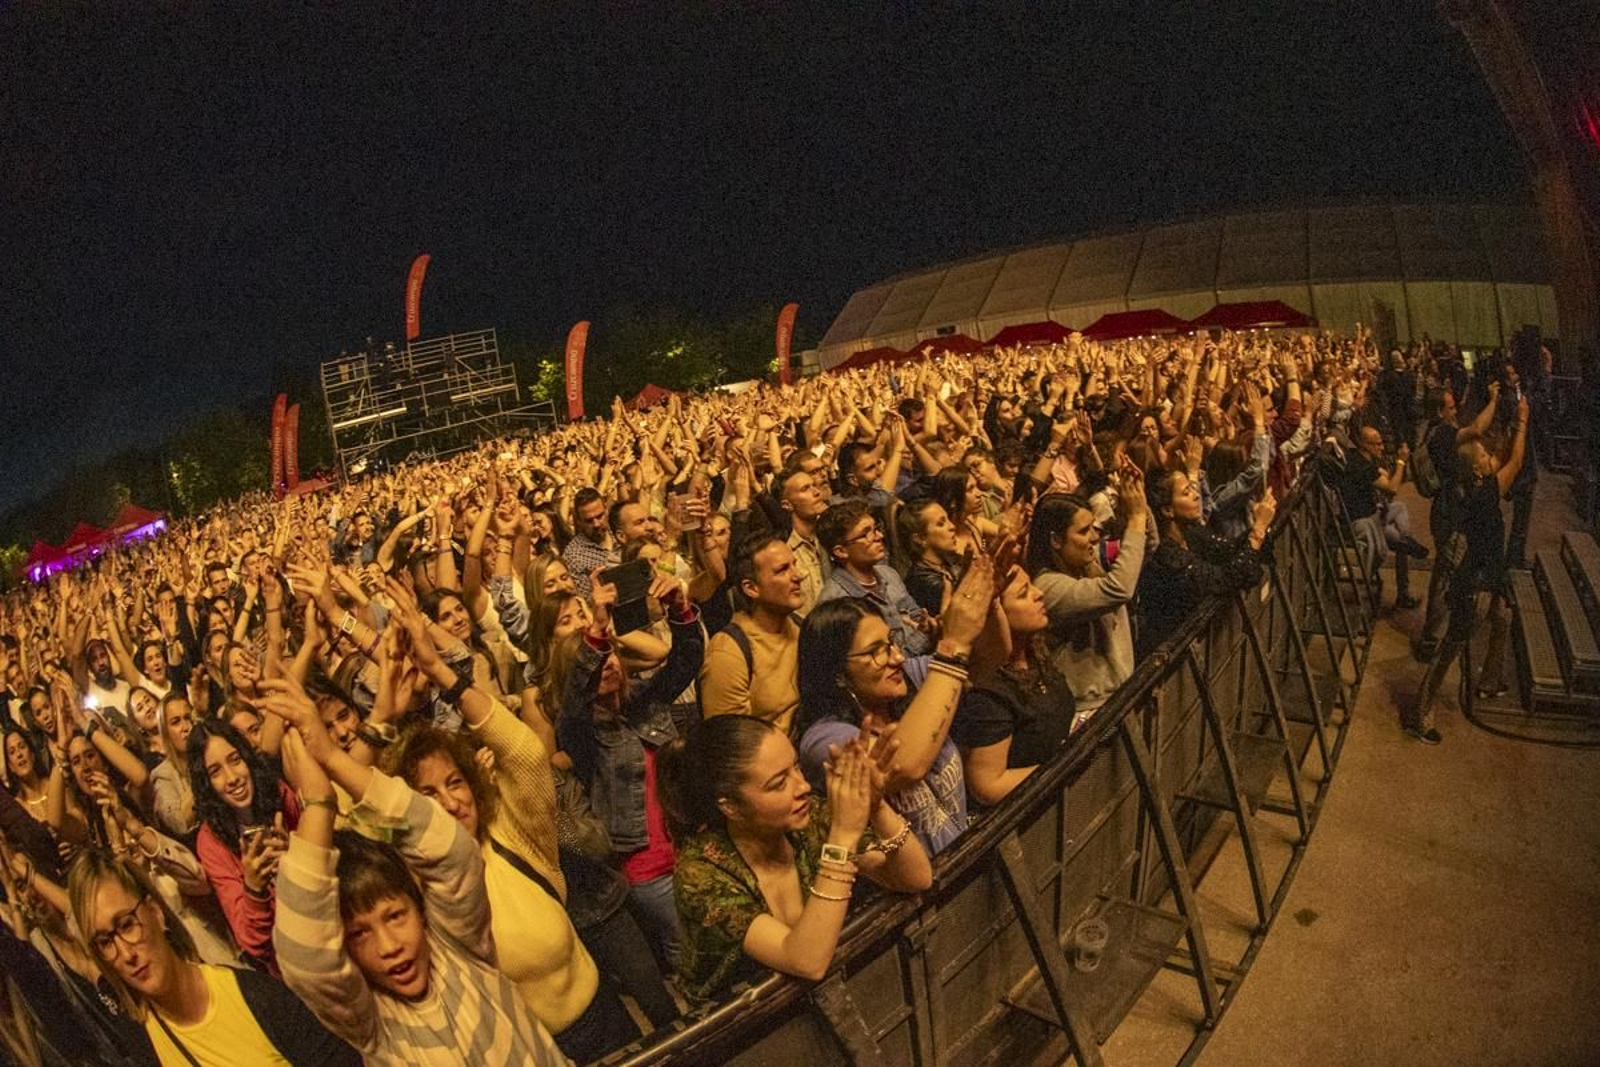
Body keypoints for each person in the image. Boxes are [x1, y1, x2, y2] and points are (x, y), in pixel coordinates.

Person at [384, 585, 638, 1063]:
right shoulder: (419, 889)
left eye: (455, 782)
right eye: (427, 795)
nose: (449, 801)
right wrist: (384, 716)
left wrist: (441, 673)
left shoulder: (509, 832)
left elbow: (522, 752)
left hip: (604, 1017)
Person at [261, 682, 569, 1066]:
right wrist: (319, 805)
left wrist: (333, 758)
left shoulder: (460, 946)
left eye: (395, 915)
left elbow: (449, 849)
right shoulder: (372, 1024)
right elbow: (306, 957)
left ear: (421, 909)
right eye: (360, 933)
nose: (389, 945)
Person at [659, 715, 931, 1002]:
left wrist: (876, 806)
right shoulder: (701, 872)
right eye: (779, 784)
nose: (802, 787)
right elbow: (806, 961)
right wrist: (842, 838)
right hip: (745, 1030)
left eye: (796, 768)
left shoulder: (808, 819)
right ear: (731, 808)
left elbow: (916, 878)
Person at [68, 848, 359, 1066]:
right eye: (106, 941)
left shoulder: (258, 999)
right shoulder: (141, 1039)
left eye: (127, 924)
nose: (126, 953)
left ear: (156, 914)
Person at [555, 568, 703, 971]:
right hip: (646, 867)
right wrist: (598, 633)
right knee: (685, 946)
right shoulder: (580, 733)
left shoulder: (645, 703)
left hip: (690, 844)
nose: (609, 666)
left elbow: (686, 660)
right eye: (597, 663)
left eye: (612, 659)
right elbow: (575, 701)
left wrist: (680, 609)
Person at [795, 556, 993, 856]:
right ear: (837, 674)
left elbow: (989, 660)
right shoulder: (825, 740)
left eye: (890, 643)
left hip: (961, 861)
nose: (896, 658)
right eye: (876, 652)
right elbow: (907, 765)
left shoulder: (907, 677)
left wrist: (990, 601)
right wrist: (952, 645)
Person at [1404, 397, 1529, 744]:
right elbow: (1515, 462)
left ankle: (1490, 680)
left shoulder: (1474, 485)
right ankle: (1421, 713)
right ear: (1478, 470)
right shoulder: (1485, 495)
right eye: (1486, 457)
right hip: (1474, 585)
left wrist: (1505, 434)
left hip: (1489, 578)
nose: (1491, 457)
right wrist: (1523, 421)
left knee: (1504, 618)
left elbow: (1503, 458)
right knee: (1452, 648)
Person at [1026, 471, 1149, 730]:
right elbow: (1119, 589)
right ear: (1056, 540)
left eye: (1093, 527)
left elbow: (1148, 548)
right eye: (1083, 531)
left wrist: (1136, 509)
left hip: (1117, 701)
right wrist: (1137, 518)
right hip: (1089, 715)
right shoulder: (1048, 586)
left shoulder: (1085, 566)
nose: (1094, 537)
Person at [951, 566, 1076, 804]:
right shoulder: (987, 692)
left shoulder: (1034, 651)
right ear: (995, 617)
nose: (1039, 593)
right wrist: (1067, 764)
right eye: (1023, 594)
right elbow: (987, 786)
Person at [187, 717, 298, 974]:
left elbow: (329, 858)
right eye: (215, 772)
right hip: (287, 965)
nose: (232, 777)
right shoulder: (211, 840)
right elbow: (252, 943)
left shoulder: (277, 793)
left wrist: (296, 855)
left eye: (235, 760)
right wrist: (254, 887)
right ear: (206, 783)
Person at [1138, 470, 1275, 656]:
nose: (1196, 496)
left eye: (1193, 490)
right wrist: (1258, 531)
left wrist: (1258, 526)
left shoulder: (1192, 532)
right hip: (1175, 658)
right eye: (1186, 493)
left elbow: (1229, 550)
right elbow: (1224, 579)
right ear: (1168, 510)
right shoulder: (1166, 556)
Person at [699, 534, 805, 735]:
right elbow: (730, 742)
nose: (797, 575)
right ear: (751, 588)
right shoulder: (729, 652)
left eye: (794, 565)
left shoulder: (800, 627)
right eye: (782, 570)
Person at [816, 498, 934, 657]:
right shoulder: (836, 603)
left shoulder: (888, 574)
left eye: (876, 529)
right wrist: (923, 636)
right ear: (841, 551)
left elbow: (917, 616)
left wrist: (927, 626)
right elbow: (879, 662)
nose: (879, 536)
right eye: (866, 534)